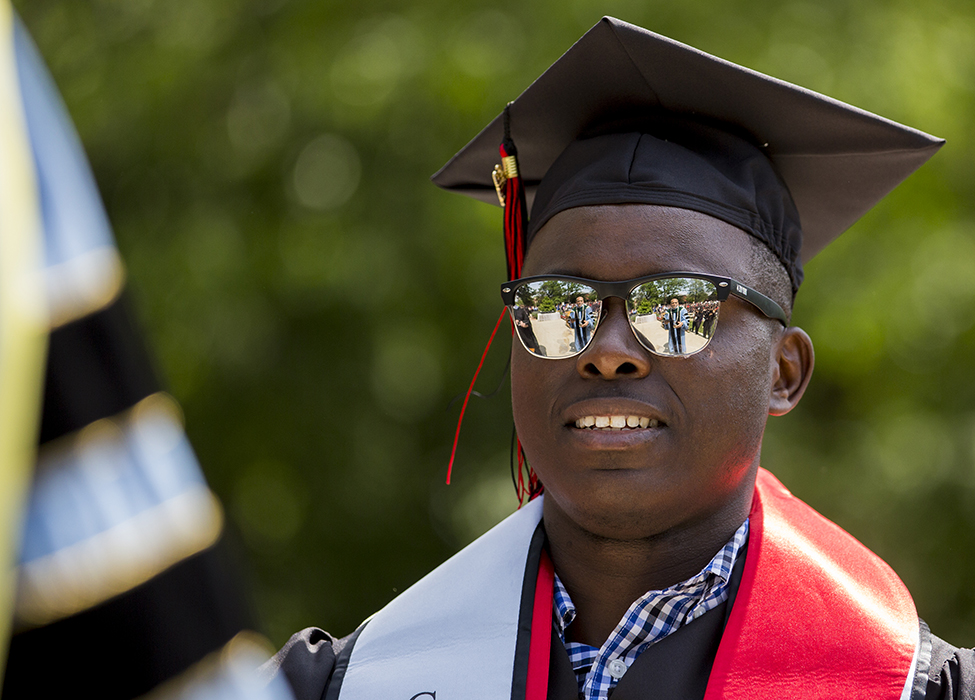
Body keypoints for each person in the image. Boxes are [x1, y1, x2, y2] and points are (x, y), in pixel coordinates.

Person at [261, 17, 973, 700]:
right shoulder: (342, 686)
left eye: (675, 308)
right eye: (557, 306)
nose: (605, 352)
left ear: (782, 373)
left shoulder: (920, 689)